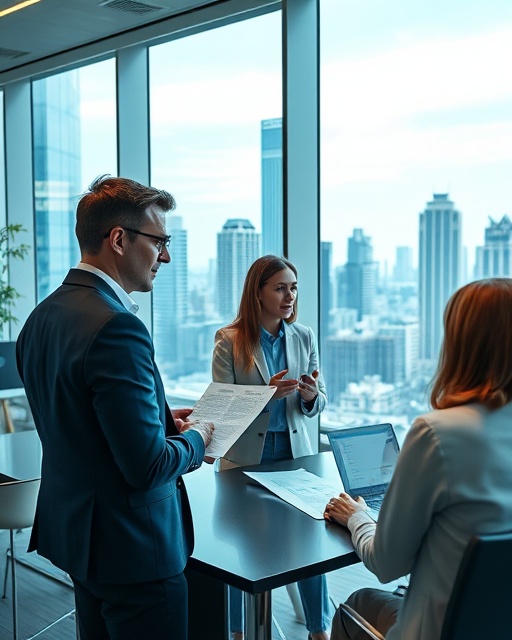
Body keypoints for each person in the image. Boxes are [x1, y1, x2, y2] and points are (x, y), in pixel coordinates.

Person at [16, 175, 214, 640]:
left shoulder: (41, 318)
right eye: (160, 241)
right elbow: (147, 467)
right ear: (119, 239)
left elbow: (80, 423)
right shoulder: (116, 328)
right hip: (135, 549)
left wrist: (162, 422)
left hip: (82, 542)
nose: (165, 256)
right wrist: (196, 438)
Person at [324, 278, 512, 640]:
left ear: (460, 343)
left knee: (356, 604)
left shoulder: (438, 433)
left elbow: (385, 563)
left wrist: (358, 517)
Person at [212, 254, 331, 640]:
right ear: (258, 292)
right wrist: (265, 396)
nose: (289, 295)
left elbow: (319, 403)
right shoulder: (229, 340)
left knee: (310, 545)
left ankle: (320, 631)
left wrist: (311, 397)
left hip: (295, 456)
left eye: (293, 287)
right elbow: (223, 406)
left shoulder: (305, 336)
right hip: (247, 459)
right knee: (238, 549)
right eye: (280, 288)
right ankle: (237, 632)